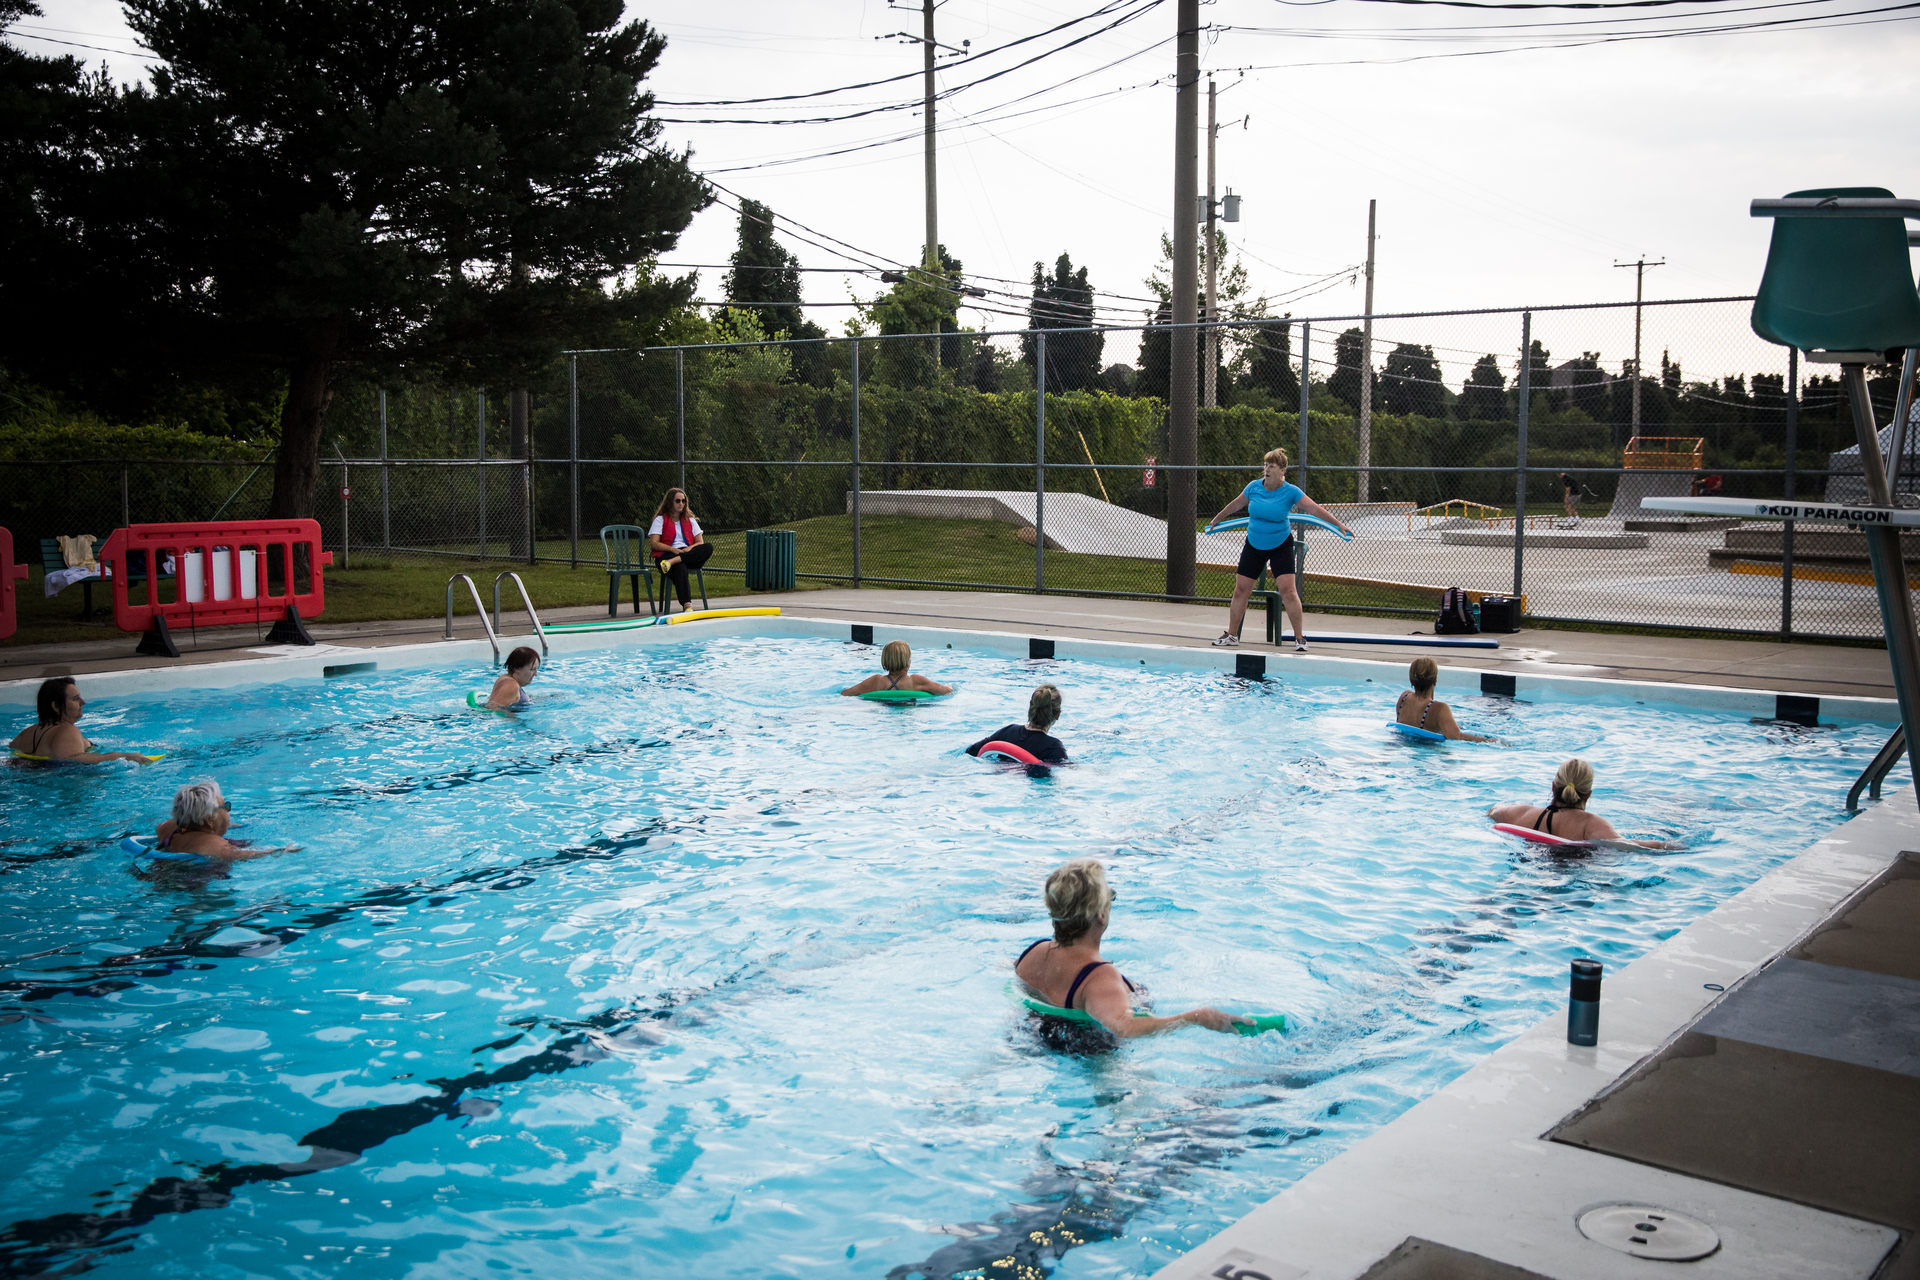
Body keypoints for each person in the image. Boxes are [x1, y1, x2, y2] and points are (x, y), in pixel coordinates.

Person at [1014, 859, 1248, 1039]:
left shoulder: (1033, 953)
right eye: (1110, 897)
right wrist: (1198, 1018)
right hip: (1094, 1061)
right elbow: (1125, 1028)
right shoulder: (1099, 978)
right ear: (1101, 914)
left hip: (1034, 1038)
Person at [1205, 448, 1351, 653]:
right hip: (1254, 544)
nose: (1267, 469)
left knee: (1288, 591)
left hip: (1280, 545)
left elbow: (1314, 509)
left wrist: (1338, 525)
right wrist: (1217, 519)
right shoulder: (1254, 487)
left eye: (1272, 466)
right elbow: (1236, 504)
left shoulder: (1290, 491)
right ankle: (1231, 635)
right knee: (1241, 589)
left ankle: (1300, 638)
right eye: (1265, 465)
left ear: (1282, 470)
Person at [1487, 758, 1674, 847]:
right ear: (1588, 794)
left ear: (1553, 787)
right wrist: (1668, 846)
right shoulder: (1591, 824)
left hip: (1528, 867)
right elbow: (1629, 846)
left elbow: (1494, 810)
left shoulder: (1526, 814)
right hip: (1570, 886)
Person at [10, 678, 152, 763]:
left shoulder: (28, 733)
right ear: (56, 707)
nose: (83, 702)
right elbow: (74, 760)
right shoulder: (67, 731)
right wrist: (123, 756)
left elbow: (11, 752)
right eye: (75, 699)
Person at [150, 779, 292, 861]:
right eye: (226, 806)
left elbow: (195, 828)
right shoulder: (216, 845)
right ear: (210, 818)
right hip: (191, 887)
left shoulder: (167, 827)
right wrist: (283, 850)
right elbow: (243, 855)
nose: (228, 810)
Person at [1396, 657, 1500, 743]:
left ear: (1411, 679)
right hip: (1429, 749)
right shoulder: (1439, 708)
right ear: (1435, 679)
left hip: (1401, 742)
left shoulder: (1404, 697)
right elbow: (1456, 736)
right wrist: (1490, 740)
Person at [647, 487, 714, 613]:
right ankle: (687, 605)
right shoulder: (660, 520)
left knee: (708, 547)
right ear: (670, 502)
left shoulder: (691, 520)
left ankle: (673, 561)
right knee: (681, 566)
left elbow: (700, 542)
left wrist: (689, 548)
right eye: (678, 501)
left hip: (687, 553)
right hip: (666, 555)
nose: (681, 504)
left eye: (683, 501)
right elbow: (654, 543)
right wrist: (673, 549)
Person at [966, 684, 1068, 764]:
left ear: (1030, 707)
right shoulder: (1054, 748)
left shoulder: (1008, 732)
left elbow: (971, 751)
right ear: (1057, 714)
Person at [841, 640, 952, 697]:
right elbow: (945, 692)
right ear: (908, 662)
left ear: (885, 660)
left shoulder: (876, 681)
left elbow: (847, 693)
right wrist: (949, 686)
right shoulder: (916, 681)